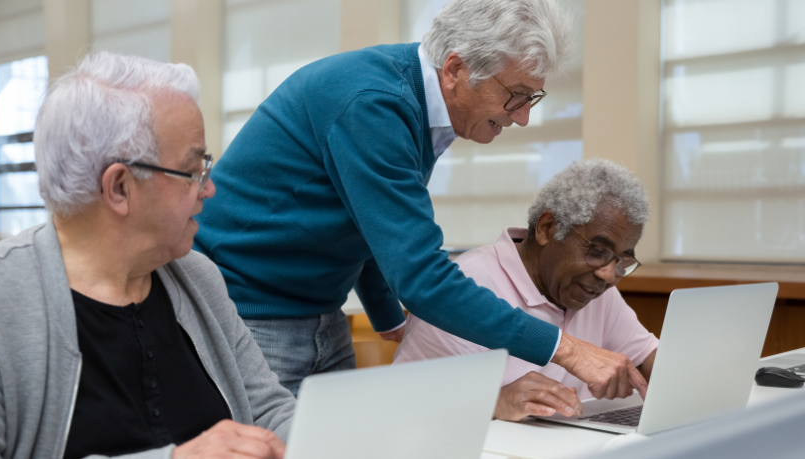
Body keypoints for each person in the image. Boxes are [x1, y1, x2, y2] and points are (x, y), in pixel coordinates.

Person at [194, 0, 647, 399]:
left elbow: (365, 221)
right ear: (455, 70)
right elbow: (421, 276)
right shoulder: (373, 104)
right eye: (515, 96)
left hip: (316, 310)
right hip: (252, 309)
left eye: (533, 98)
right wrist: (566, 349)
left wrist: (388, 316)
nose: (524, 118)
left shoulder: (415, 105)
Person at [0, 52, 295, 459]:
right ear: (119, 187)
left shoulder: (198, 278)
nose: (209, 189)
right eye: (194, 171)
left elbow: (269, 412)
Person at [393, 159, 659, 421]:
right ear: (547, 228)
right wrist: (495, 402)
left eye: (621, 260)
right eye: (597, 251)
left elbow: (651, 359)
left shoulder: (595, 290)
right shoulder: (465, 285)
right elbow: (404, 403)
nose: (609, 274)